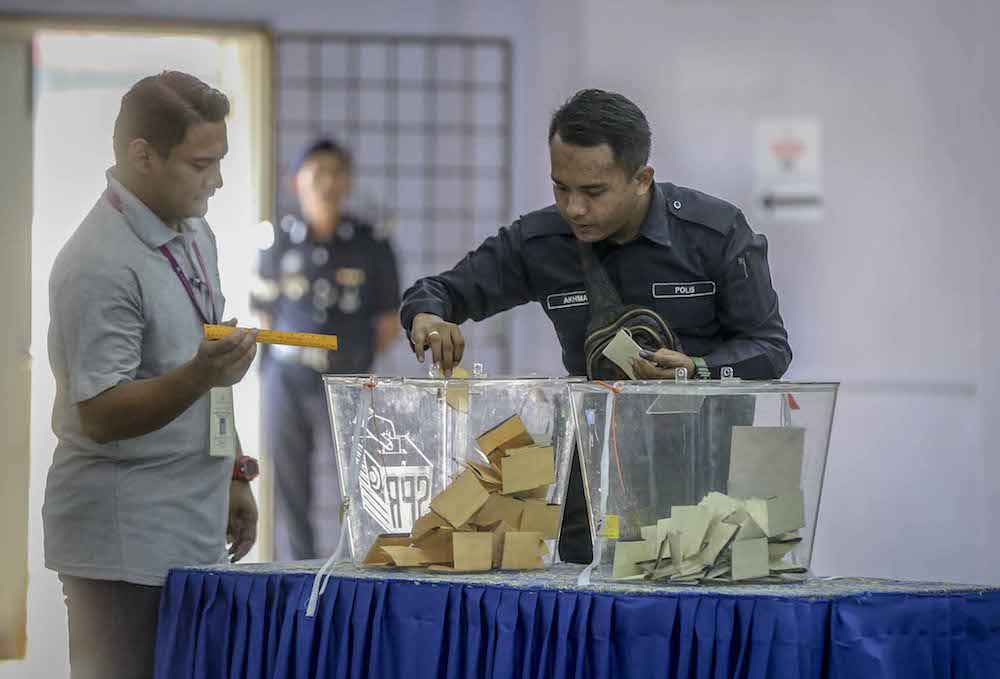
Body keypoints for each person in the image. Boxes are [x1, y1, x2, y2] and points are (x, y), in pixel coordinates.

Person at [400, 89, 792, 561]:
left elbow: (770, 349)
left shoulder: (715, 234)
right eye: (560, 188)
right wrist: (427, 316)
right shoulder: (540, 242)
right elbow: (440, 291)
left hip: (705, 482)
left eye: (593, 192)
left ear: (641, 179)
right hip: (593, 485)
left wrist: (697, 368)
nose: (574, 209)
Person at [43, 71, 260, 679]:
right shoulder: (98, 262)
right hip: (122, 548)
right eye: (200, 164)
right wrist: (198, 374)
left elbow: (210, 364)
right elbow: (102, 412)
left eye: (220, 161)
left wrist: (235, 470)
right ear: (142, 155)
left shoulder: (193, 233)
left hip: (191, 529)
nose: (216, 180)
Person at [251, 139, 401, 561]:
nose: (327, 183)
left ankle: (355, 567)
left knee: (356, 482)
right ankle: (298, 571)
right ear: (297, 180)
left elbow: (387, 324)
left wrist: (352, 361)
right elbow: (264, 316)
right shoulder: (277, 241)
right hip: (288, 377)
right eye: (317, 173)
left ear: (349, 181)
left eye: (336, 173)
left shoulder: (372, 244)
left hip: (346, 380)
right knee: (290, 483)